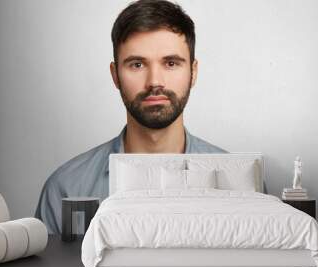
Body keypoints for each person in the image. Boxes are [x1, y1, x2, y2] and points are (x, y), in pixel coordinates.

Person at [35, 0, 227, 234]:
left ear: (193, 72)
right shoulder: (66, 188)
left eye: (171, 63)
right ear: (115, 75)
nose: (155, 81)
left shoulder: (238, 184)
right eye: (137, 64)